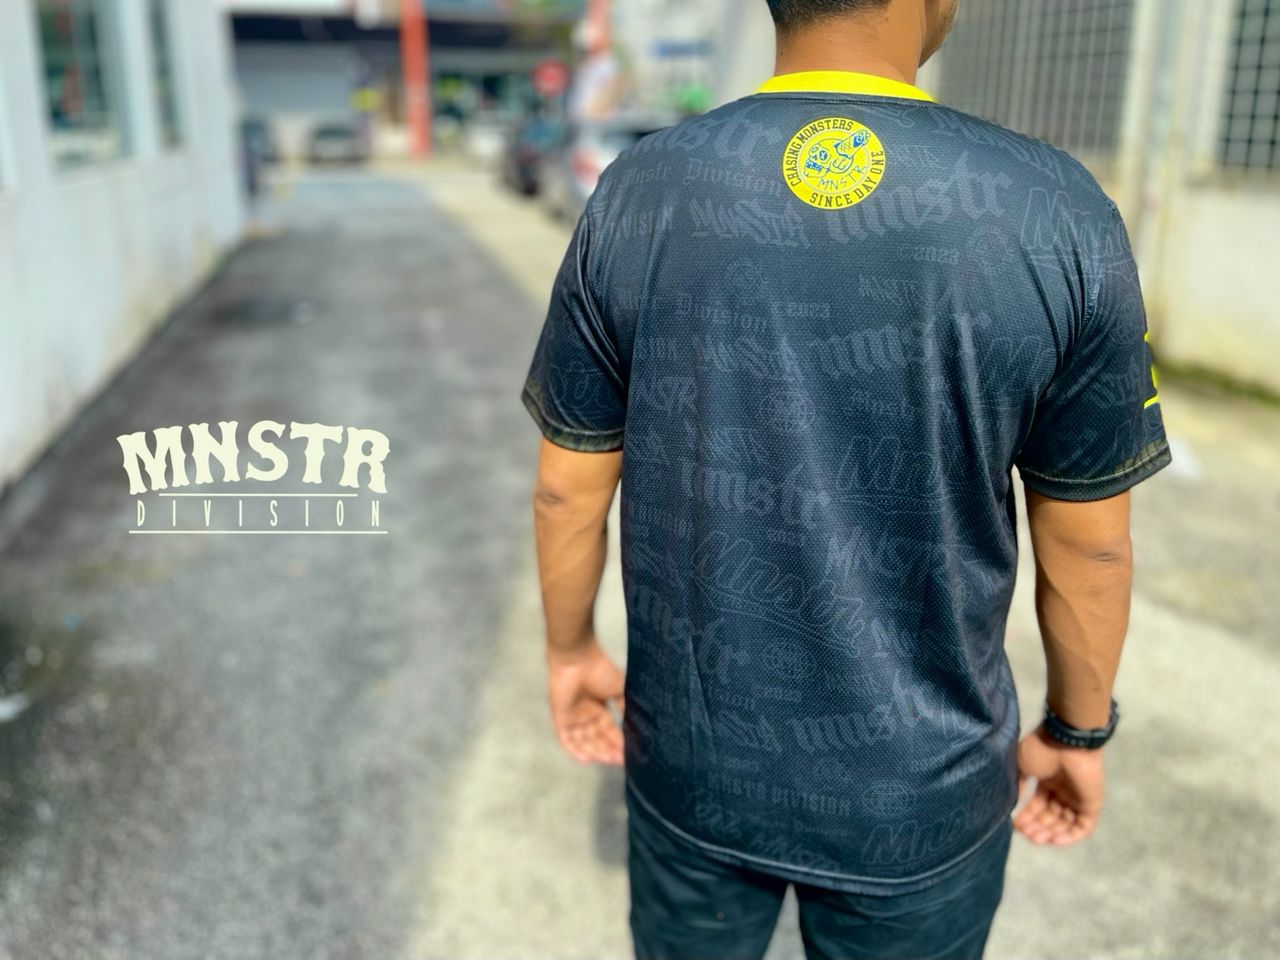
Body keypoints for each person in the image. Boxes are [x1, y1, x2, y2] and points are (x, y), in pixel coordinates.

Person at [519, 1, 1172, 957]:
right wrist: (1077, 734)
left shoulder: (641, 189)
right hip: (924, 799)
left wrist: (571, 651)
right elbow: (1091, 543)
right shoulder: (1053, 207)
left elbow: (566, 487)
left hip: (694, 766)